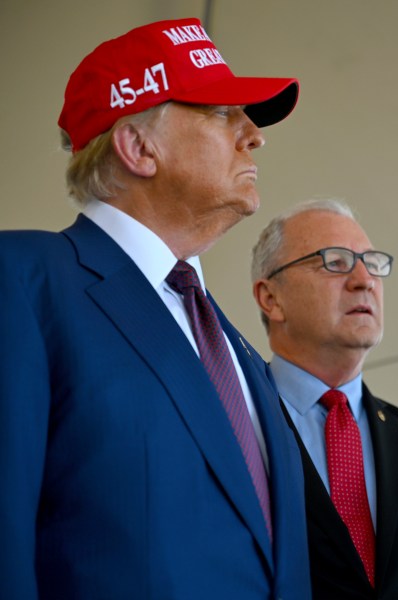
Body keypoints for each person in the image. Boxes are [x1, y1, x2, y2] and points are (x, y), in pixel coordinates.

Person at [0, 18, 312, 599]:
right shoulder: (21, 280)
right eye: (222, 111)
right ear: (139, 147)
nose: (254, 134)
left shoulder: (232, 344)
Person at [251, 198, 398, 599]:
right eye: (335, 261)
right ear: (271, 298)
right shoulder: (234, 426)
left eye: (372, 262)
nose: (364, 280)